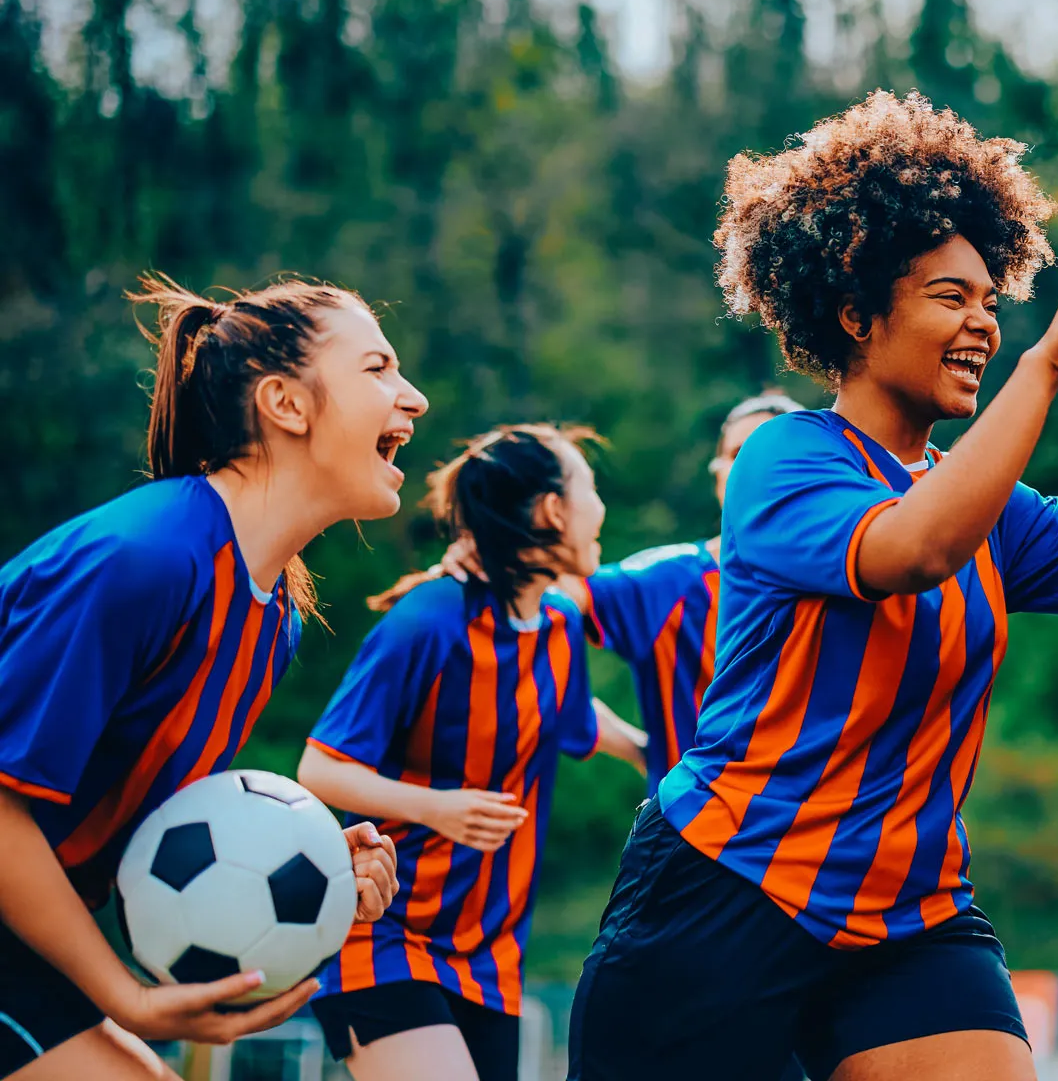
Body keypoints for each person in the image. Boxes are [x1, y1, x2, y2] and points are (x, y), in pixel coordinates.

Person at [567, 90, 1058, 1081]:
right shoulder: (786, 457)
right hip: (729, 892)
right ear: (856, 314)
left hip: (910, 909)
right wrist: (1055, 361)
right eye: (951, 297)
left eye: (992, 301)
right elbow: (914, 549)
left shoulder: (987, 502)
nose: (983, 323)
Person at [0, 275, 416, 1081]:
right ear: (285, 404)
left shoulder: (273, 616)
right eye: (377, 368)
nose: (415, 397)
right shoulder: (142, 560)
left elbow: (146, 831)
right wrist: (125, 996)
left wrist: (310, 858)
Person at [297, 425, 647, 1081]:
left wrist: (655, 756)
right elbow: (320, 768)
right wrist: (438, 808)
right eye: (591, 489)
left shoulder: (558, 623)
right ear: (553, 511)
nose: (601, 507)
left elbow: (575, 719)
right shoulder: (427, 620)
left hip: (491, 961)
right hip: (382, 938)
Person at [578, 392, 804, 787]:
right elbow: (542, 592)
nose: (753, 468)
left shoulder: (860, 578)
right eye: (738, 454)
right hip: (696, 817)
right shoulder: (669, 581)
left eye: (773, 454)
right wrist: (643, 751)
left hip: (826, 820)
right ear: (718, 474)